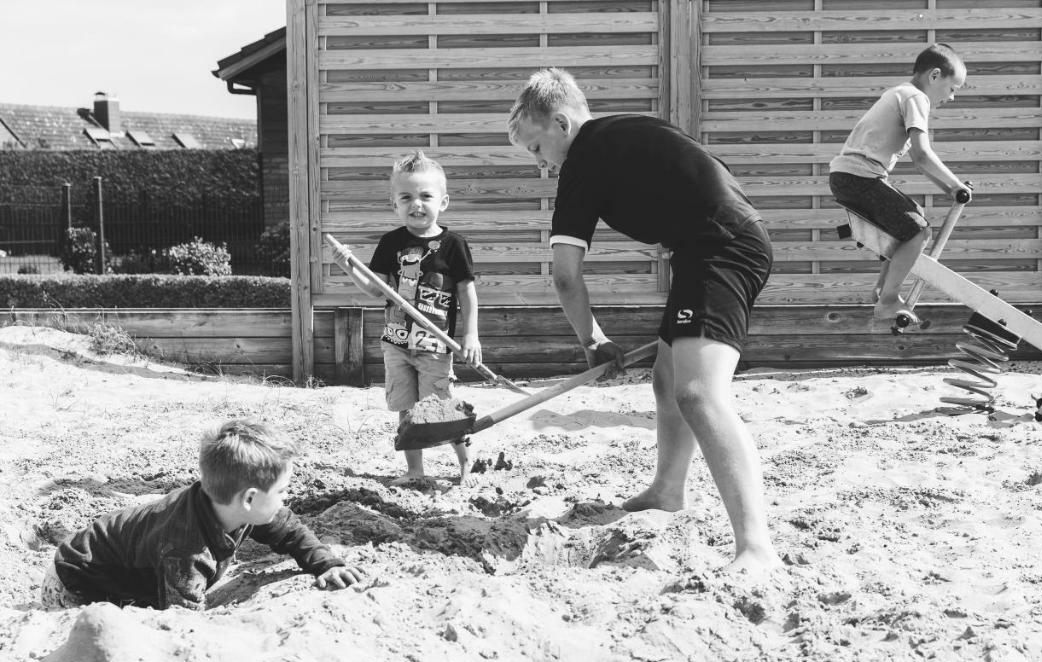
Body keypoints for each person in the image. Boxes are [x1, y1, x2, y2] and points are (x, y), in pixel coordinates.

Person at [507, 67, 779, 575]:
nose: (540, 163)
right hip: (710, 247)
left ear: (562, 124)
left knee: (699, 394)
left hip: (720, 250)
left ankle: (755, 544)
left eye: (536, 149)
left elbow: (565, 278)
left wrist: (593, 341)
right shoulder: (627, 129)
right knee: (666, 378)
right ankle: (668, 489)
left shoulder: (584, 159)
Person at [41, 419, 365, 611]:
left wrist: (326, 564)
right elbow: (182, 623)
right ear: (249, 499)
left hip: (119, 556)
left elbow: (290, 531)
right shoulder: (186, 550)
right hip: (77, 580)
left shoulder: (232, 506)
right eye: (281, 491)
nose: (286, 500)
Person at [351, 151, 481, 485]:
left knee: (441, 410)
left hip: (436, 346)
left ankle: (465, 466)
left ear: (444, 201)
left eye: (426, 196)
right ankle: (415, 470)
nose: (416, 204)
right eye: (406, 197)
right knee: (406, 410)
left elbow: (467, 292)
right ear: (394, 203)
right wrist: (348, 266)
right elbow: (374, 289)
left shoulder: (453, 245)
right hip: (396, 344)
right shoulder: (391, 243)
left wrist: (471, 336)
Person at [829, 43, 970, 323]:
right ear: (934, 76)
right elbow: (921, 154)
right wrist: (955, 186)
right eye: (953, 88)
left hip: (849, 176)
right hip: (860, 176)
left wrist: (950, 190)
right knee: (918, 231)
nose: (952, 97)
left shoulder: (899, 93)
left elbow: (920, 161)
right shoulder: (916, 98)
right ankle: (888, 300)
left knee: (909, 218)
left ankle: (883, 288)